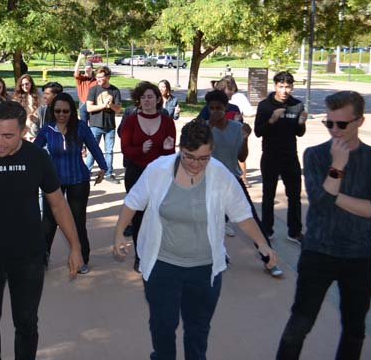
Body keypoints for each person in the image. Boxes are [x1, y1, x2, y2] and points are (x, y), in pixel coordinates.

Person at [113, 119, 277, 360]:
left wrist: (263, 244)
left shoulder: (220, 174)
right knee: (163, 326)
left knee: (198, 330)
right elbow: (133, 202)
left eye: (204, 158)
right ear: (180, 149)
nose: (196, 164)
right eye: (190, 157)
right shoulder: (158, 169)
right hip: (162, 265)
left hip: (204, 268)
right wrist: (118, 234)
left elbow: (242, 214)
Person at [0, 101, 83, 360]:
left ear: (22, 131)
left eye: (8, 135)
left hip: (28, 254)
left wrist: (75, 247)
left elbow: (58, 204)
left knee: (27, 322)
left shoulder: (37, 157)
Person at [277, 91, 371, 360]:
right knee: (299, 324)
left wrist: (333, 193)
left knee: (355, 329)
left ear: (360, 121)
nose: (334, 130)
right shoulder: (315, 155)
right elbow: (319, 203)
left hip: (359, 257)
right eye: (329, 123)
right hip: (317, 253)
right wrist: (337, 167)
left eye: (342, 124)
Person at [204, 90, 282, 277]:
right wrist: (208, 131)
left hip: (233, 180)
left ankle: (269, 260)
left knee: (252, 219)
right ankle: (213, 257)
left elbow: (241, 156)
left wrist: (245, 139)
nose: (215, 112)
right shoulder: (204, 128)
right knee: (208, 222)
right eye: (212, 108)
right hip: (210, 182)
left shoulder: (236, 127)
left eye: (219, 108)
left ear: (226, 108)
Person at [34, 93, 106, 273]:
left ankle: (82, 258)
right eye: (57, 110)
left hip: (78, 180)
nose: (61, 114)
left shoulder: (81, 127)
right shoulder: (47, 129)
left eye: (65, 111)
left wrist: (103, 167)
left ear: (71, 112)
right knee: (49, 222)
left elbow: (94, 147)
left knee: (77, 221)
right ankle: (42, 259)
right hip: (53, 182)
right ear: (52, 111)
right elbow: (34, 151)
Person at [120, 81, 176, 273]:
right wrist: (139, 150)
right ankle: (140, 255)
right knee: (138, 216)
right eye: (143, 97)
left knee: (159, 215)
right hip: (136, 173)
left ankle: (160, 254)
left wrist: (169, 149)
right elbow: (125, 149)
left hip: (160, 175)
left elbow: (170, 155)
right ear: (138, 100)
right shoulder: (131, 121)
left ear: (158, 99)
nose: (146, 100)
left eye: (150, 96)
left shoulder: (168, 122)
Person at [254, 71, 307, 243]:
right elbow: (258, 132)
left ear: (292, 87)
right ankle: (267, 230)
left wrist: (301, 123)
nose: (285, 90)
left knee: (295, 195)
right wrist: (271, 120)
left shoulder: (297, 105)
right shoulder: (265, 105)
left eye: (288, 87)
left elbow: (299, 133)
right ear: (275, 86)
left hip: (290, 156)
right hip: (270, 156)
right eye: (281, 86)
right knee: (268, 195)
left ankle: (295, 231)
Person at [85, 66, 121, 183]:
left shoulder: (115, 91)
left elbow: (118, 109)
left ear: (108, 77)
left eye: (101, 77)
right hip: (95, 125)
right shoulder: (93, 90)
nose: (98, 79)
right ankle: (87, 172)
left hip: (110, 126)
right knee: (92, 150)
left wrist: (110, 105)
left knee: (109, 151)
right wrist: (103, 105)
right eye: (97, 77)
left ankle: (109, 174)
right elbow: (89, 108)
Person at [13, 73, 41, 140]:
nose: (24, 86)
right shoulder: (16, 98)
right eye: (22, 85)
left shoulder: (38, 97)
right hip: (21, 127)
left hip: (34, 127)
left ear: (31, 84)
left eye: (27, 84)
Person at [73, 52, 97, 122]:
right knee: (83, 125)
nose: (87, 69)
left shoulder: (96, 80)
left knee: (93, 125)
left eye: (89, 68)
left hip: (93, 104)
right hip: (83, 104)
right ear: (84, 69)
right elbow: (76, 72)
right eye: (86, 68)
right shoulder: (81, 79)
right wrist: (79, 59)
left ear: (92, 69)